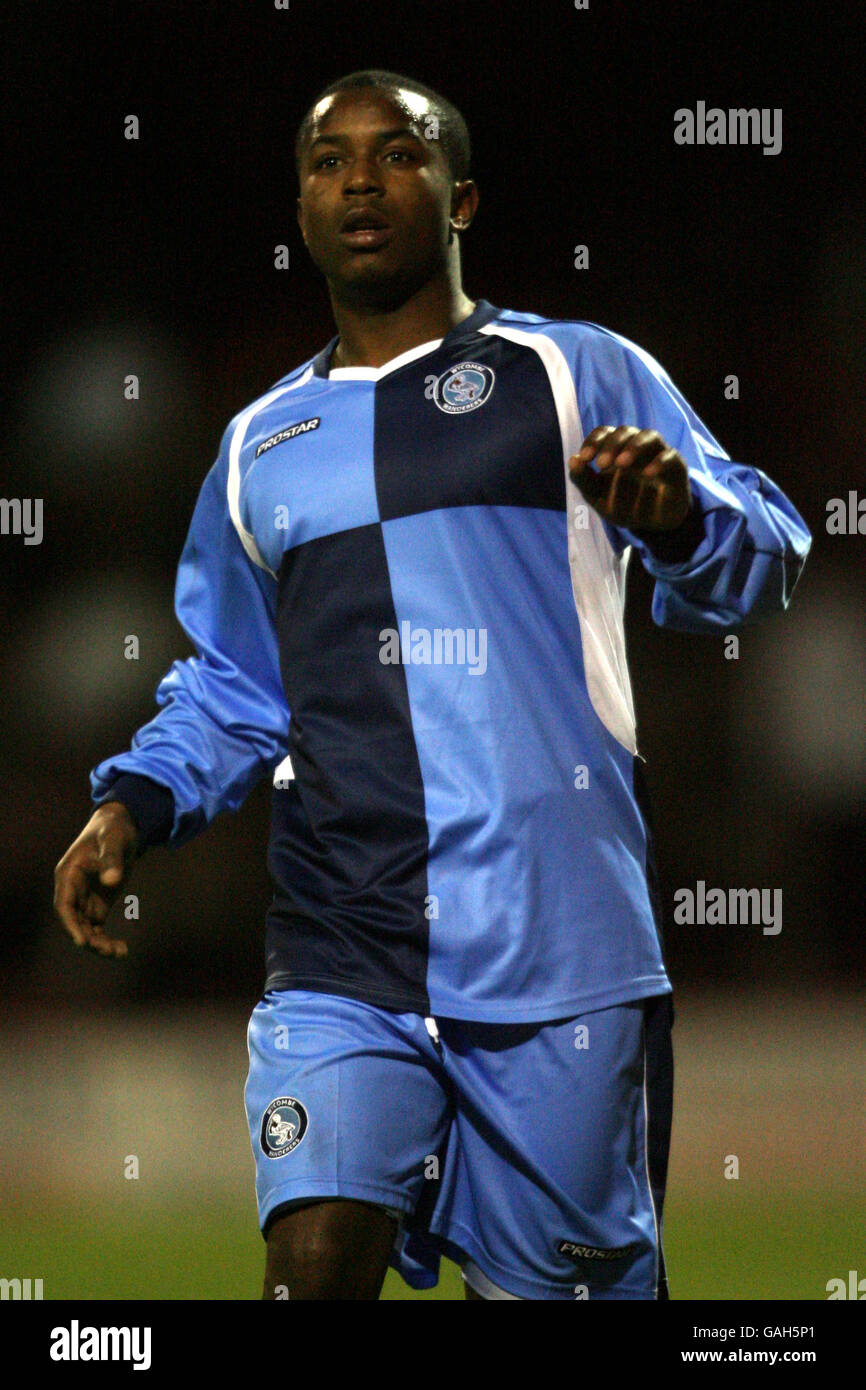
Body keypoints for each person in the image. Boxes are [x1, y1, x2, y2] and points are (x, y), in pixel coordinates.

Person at [53, 69, 811, 1300]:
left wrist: (675, 520)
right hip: (343, 943)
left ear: (462, 198)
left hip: (556, 951)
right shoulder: (259, 444)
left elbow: (766, 553)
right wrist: (130, 803)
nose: (358, 177)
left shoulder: (575, 370)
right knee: (311, 1260)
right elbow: (235, 686)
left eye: (395, 152)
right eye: (325, 158)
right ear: (300, 206)